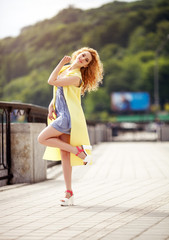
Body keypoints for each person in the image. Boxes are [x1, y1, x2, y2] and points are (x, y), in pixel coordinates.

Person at [38, 47, 103, 206]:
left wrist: (61, 62)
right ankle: (69, 193)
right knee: (64, 155)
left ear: (87, 66)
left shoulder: (76, 77)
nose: (82, 59)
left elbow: (51, 81)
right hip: (61, 114)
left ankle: (78, 151)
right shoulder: (68, 70)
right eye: (82, 55)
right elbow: (60, 90)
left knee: (42, 138)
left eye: (86, 60)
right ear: (78, 54)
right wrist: (52, 103)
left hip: (67, 118)